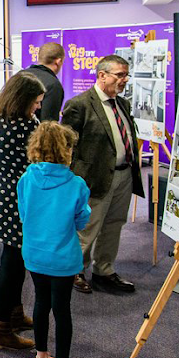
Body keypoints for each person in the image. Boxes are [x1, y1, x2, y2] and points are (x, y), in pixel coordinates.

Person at [18, 121, 92, 358]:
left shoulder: (26, 179)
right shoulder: (76, 184)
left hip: (35, 254)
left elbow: (24, 215)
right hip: (63, 258)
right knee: (62, 310)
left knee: (40, 302)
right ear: (66, 150)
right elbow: (82, 220)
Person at [60, 54, 143, 295]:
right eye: (119, 75)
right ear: (102, 75)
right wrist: (74, 180)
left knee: (114, 224)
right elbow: (67, 147)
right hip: (93, 179)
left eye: (126, 75)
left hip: (123, 176)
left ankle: (104, 270)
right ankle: (76, 270)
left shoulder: (122, 104)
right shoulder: (80, 104)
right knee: (88, 228)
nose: (124, 80)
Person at [0, 73, 47, 350]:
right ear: (23, 100)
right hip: (18, 202)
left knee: (13, 259)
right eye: (36, 102)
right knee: (13, 263)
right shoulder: (25, 127)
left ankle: (14, 314)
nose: (38, 107)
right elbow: (40, 163)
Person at [27, 42, 65, 122]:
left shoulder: (19, 76)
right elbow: (48, 124)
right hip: (35, 133)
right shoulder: (53, 85)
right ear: (58, 61)